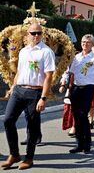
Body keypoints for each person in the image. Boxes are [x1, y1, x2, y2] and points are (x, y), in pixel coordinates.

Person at [1, 23, 55, 170]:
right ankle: (14, 154)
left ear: (42, 34)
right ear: (27, 34)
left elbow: (49, 76)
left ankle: (29, 158)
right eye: (33, 33)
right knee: (8, 120)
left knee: (32, 126)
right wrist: (13, 86)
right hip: (19, 90)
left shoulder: (46, 52)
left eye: (38, 33)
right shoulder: (24, 51)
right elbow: (19, 71)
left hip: (35, 92)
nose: (36, 36)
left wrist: (43, 98)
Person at [68, 34, 94, 154]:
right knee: (76, 116)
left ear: (92, 44)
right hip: (76, 88)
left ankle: (87, 143)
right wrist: (70, 87)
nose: (85, 44)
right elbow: (72, 73)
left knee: (83, 115)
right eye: (83, 42)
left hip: (89, 88)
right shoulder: (77, 57)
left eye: (88, 42)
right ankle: (79, 144)